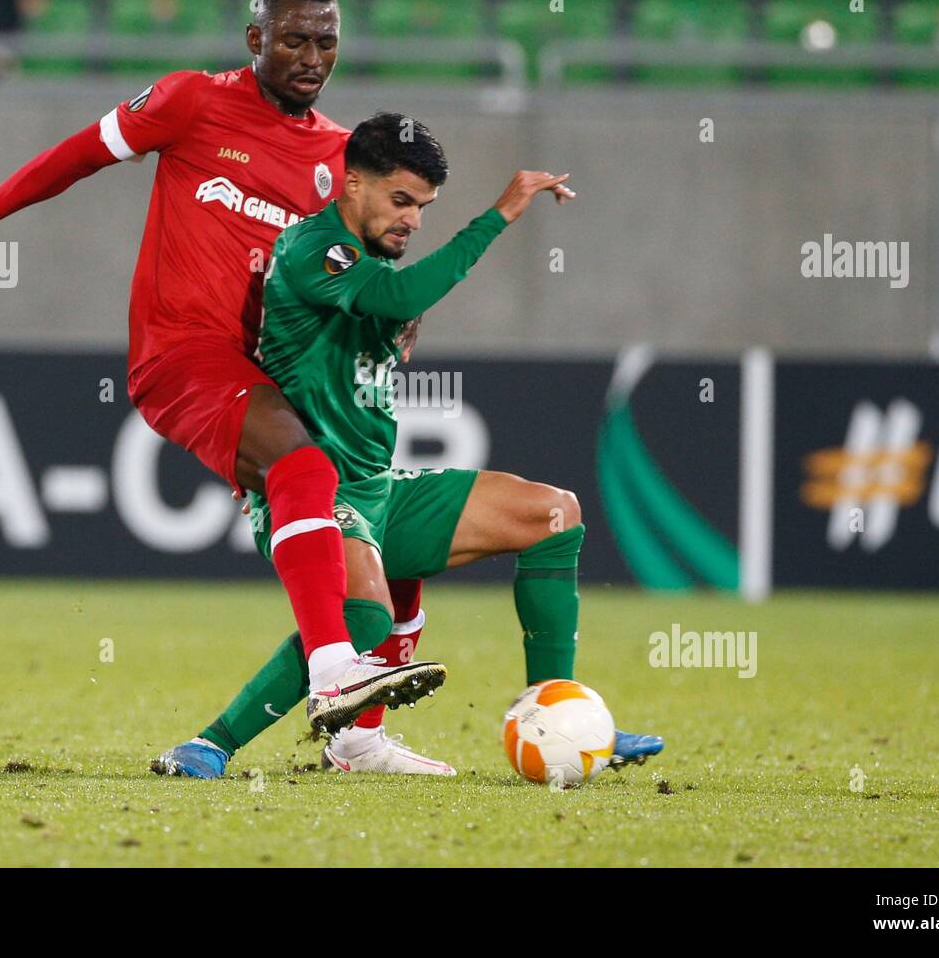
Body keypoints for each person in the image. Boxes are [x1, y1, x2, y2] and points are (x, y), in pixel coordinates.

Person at [0, 0, 442, 736]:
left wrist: (401, 313)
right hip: (182, 356)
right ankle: (333, 670)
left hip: (278, 375)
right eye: (293, 39)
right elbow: (75, 156)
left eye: (326, 42)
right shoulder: (192, 102)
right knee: (306, 471)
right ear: (255, 38)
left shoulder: (340, 160)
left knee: (364, 515)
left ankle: (358, 737)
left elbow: (371, 273)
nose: (311, 56)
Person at [154, 113, 665, 778]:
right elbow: (398, 298)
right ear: (352, 184)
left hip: (377, 490)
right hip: (312, 496)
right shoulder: (314, 249)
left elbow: (389, 309)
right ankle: (210, 745)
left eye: (424, 208)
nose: (413, 221)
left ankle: (559, 713)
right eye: (401, 202)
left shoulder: (365, 261)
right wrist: (502, 212)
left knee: (553, 514)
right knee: (362, 623)